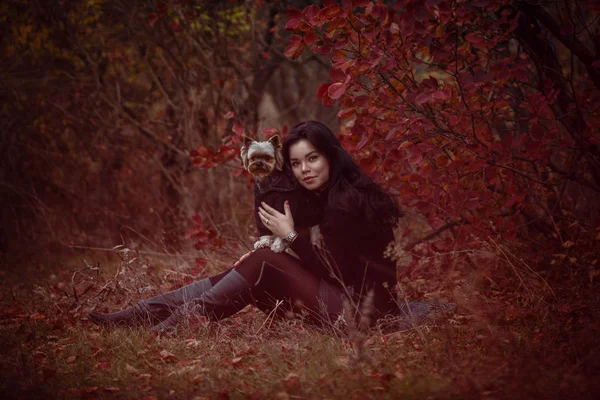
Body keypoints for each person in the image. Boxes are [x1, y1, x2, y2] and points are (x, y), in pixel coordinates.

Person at [89, 121, 450, 333]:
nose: (304, 169)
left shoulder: (346, 202)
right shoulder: (331, 193)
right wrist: (276, 244)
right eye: (295, 163)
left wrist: (289, 237)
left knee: (263, 262)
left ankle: (172, 325)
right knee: (256, 262)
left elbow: (338, 275)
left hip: (362, 315)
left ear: (331, 155)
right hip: (346, 304)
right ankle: (138, 314)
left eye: (313, 158)